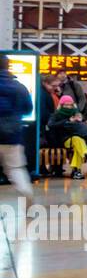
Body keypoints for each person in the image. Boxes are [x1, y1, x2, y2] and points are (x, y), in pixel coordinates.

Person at [0, 54, 35, 198]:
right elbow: (28, 109)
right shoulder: (19, 87)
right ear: (8, 66)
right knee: (16, 169)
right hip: (12, 135)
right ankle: (26, 192)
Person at [47, 95, 87, 178]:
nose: (68, 107)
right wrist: (67, 121)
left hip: (77, 138)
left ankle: (77, 172)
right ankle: (85, 159)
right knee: (77, 141)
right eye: (66, 105)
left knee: (77, 142)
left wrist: (80, 120)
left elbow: (83, 125)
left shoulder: (76, 113)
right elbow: (50, 125)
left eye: (70, 105)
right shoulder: (56, 114)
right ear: (61, 105)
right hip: (64, 139)